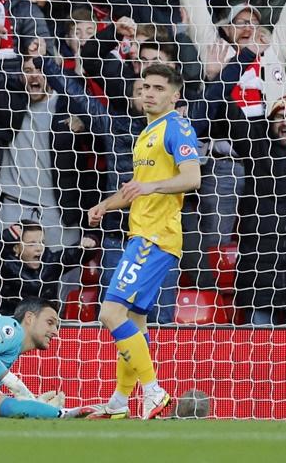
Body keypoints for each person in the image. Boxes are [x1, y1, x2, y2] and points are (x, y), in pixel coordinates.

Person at [86, 63, 201, 419]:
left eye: (157, 88)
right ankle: (120, 402)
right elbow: (137, 189)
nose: (149, 93)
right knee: (134, 324)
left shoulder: (177, 127)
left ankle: (153, 391)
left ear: (174, 95)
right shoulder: (146, 132)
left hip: (156, 237)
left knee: (110, 313)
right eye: (145, 87)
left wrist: (150, 187)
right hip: (142, 234)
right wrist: (105, 205)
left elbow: (193, 177)